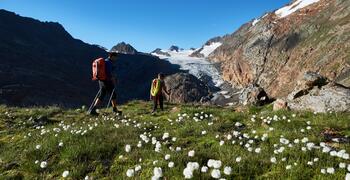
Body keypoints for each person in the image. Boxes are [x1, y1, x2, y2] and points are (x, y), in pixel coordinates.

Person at [88, 51, 121, 115]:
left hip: (101, 80)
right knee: (113, 94)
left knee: (102, 94)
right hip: (107, 81)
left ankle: (93, 110)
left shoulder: (105, 61)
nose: (116, 59)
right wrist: (113, 79)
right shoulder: (109, 62)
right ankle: (115, 110)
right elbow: (108, 73)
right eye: (115, 57)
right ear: (112, 56)